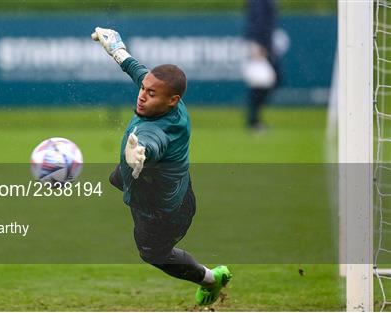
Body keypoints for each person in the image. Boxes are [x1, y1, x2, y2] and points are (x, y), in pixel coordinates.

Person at [91, 27, 232, 306]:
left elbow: (154, 142)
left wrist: (141, 154)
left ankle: (211, 278)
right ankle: (129, 175)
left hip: (164, 213)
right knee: (117, 176)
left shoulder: (161, 130)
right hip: (175, 188)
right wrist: (117, 49)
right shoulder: (164, 100)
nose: (142, 95)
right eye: (144, 89)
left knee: (153, 255)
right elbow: (139, 72)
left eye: (151, 93)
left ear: (172, 100)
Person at [244, 0, 280, 130]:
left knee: (265, 83)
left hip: (265, 43)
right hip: (260, 45)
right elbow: (258, 20)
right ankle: (253, 120)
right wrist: (259, 44)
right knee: (261, 82)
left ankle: (254, 119)